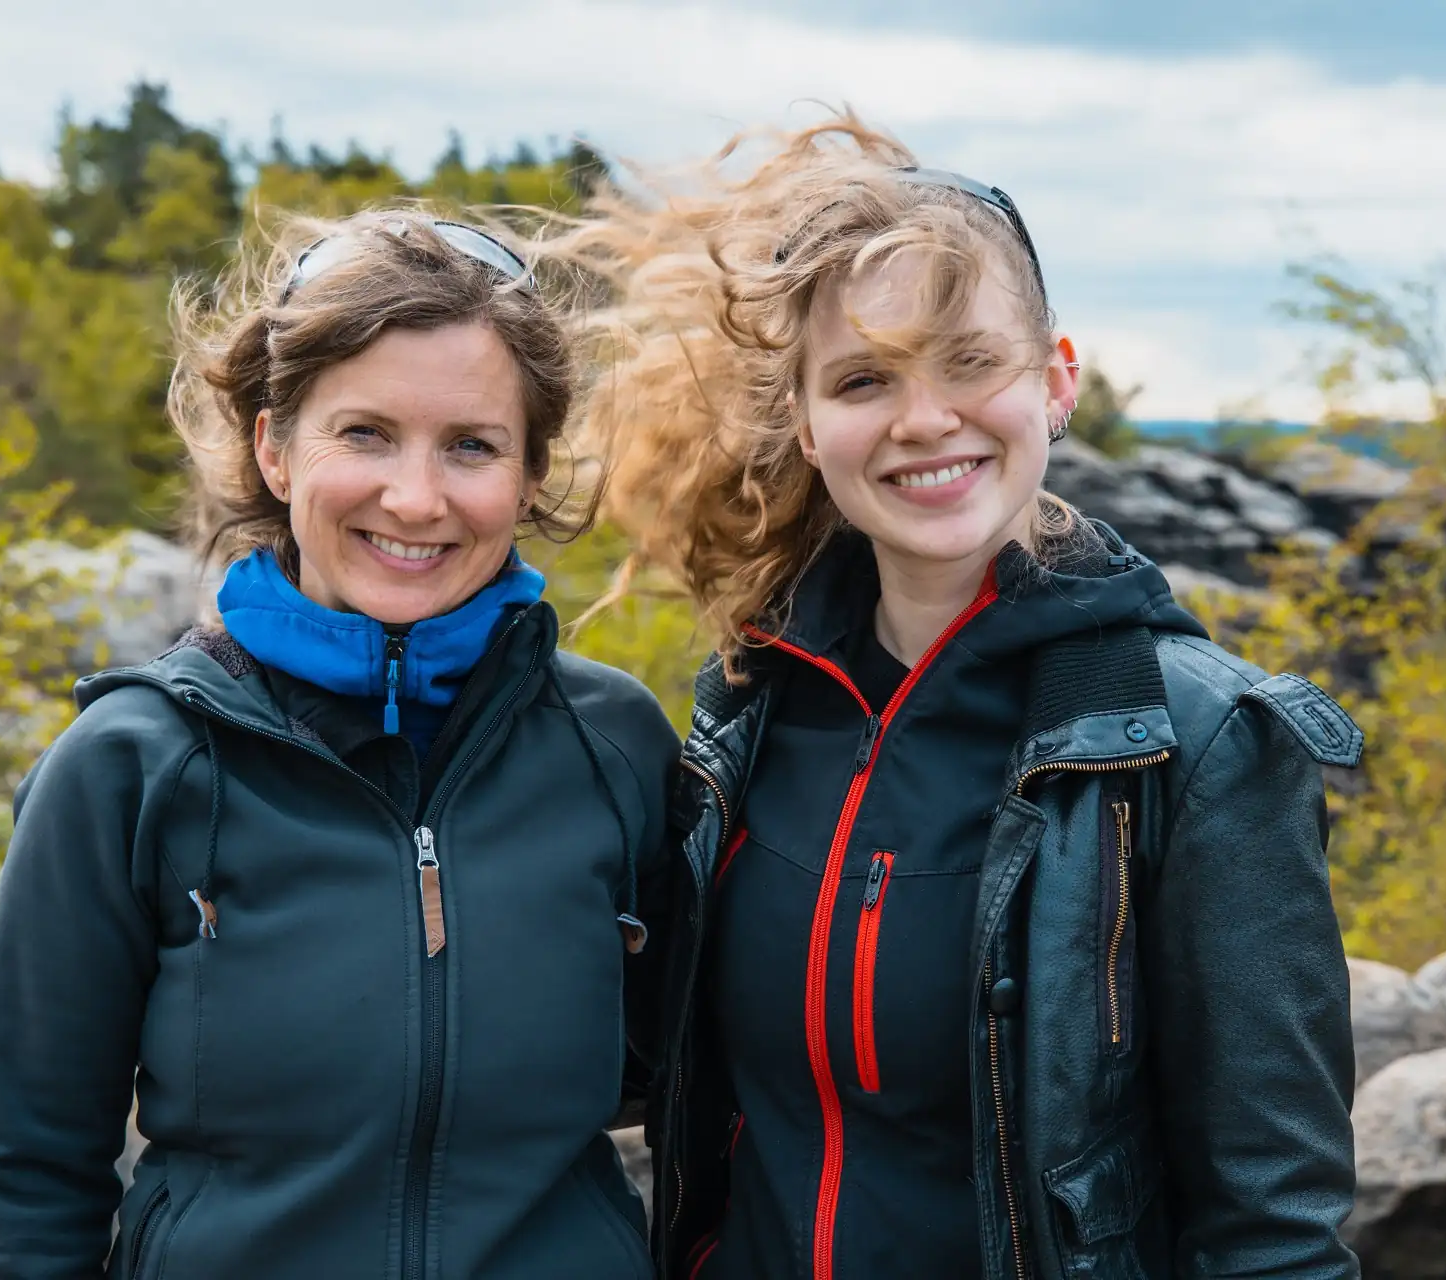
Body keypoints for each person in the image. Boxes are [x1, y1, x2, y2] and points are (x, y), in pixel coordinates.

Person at [547, 116, 1363, 1278]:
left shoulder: (1195, 744)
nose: (924, 418)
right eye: (866, 378)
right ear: (806, 419)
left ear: (1058, 378)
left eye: (971, 360)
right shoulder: (750, 705)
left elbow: (1276, 1234)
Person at [0, 206, 677, 1279]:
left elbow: (700, 1107)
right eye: (366, 433)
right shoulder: (128, 768)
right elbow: (29, 1183)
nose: (416, 497)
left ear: (527, 476)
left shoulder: (616, 747)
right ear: (275, 448)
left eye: (472, 445)